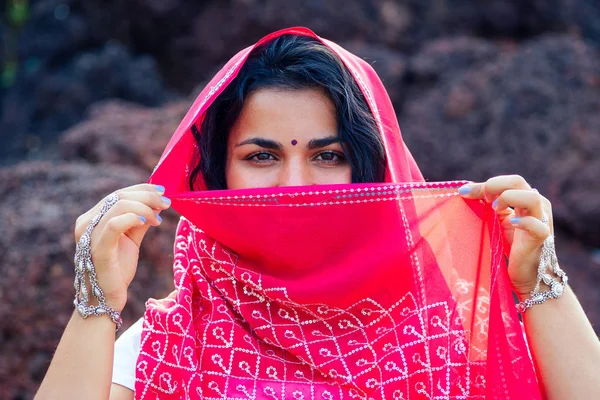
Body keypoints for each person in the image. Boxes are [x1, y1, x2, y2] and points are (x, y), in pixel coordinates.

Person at [36, 27, 600, 400]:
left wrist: (539, 282)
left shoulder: (451, 323)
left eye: (328, 155)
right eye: (262, 156)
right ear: (217, 172)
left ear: (371, 166)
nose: (295, 185)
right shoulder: (175, 339)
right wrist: (96, 303)